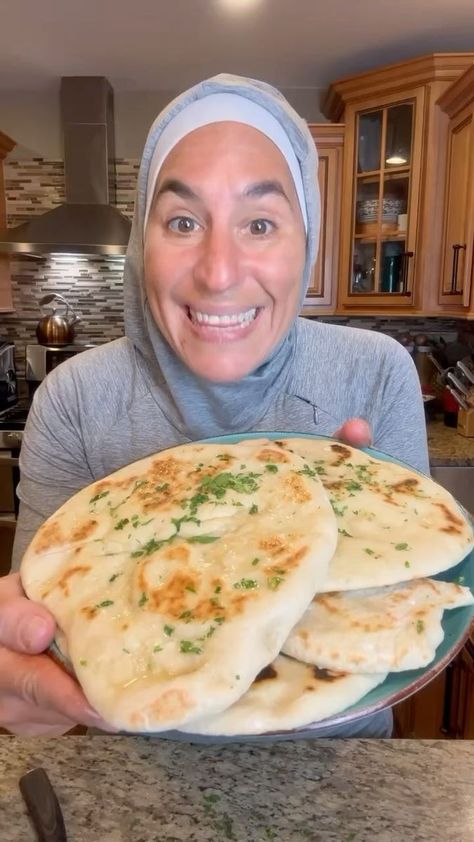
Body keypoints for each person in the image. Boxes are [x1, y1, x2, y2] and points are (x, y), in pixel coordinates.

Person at [0, 73, 428, 737]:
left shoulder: (373, 375)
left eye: (259, 223)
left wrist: (358, 524)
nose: (219, 271)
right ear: (143, 250)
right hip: (137, 778)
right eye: (182, 221)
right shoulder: (78, 399)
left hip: (339, 775)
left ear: (304, 246)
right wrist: (24, 685)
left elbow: (414, 608)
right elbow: (41, 667)